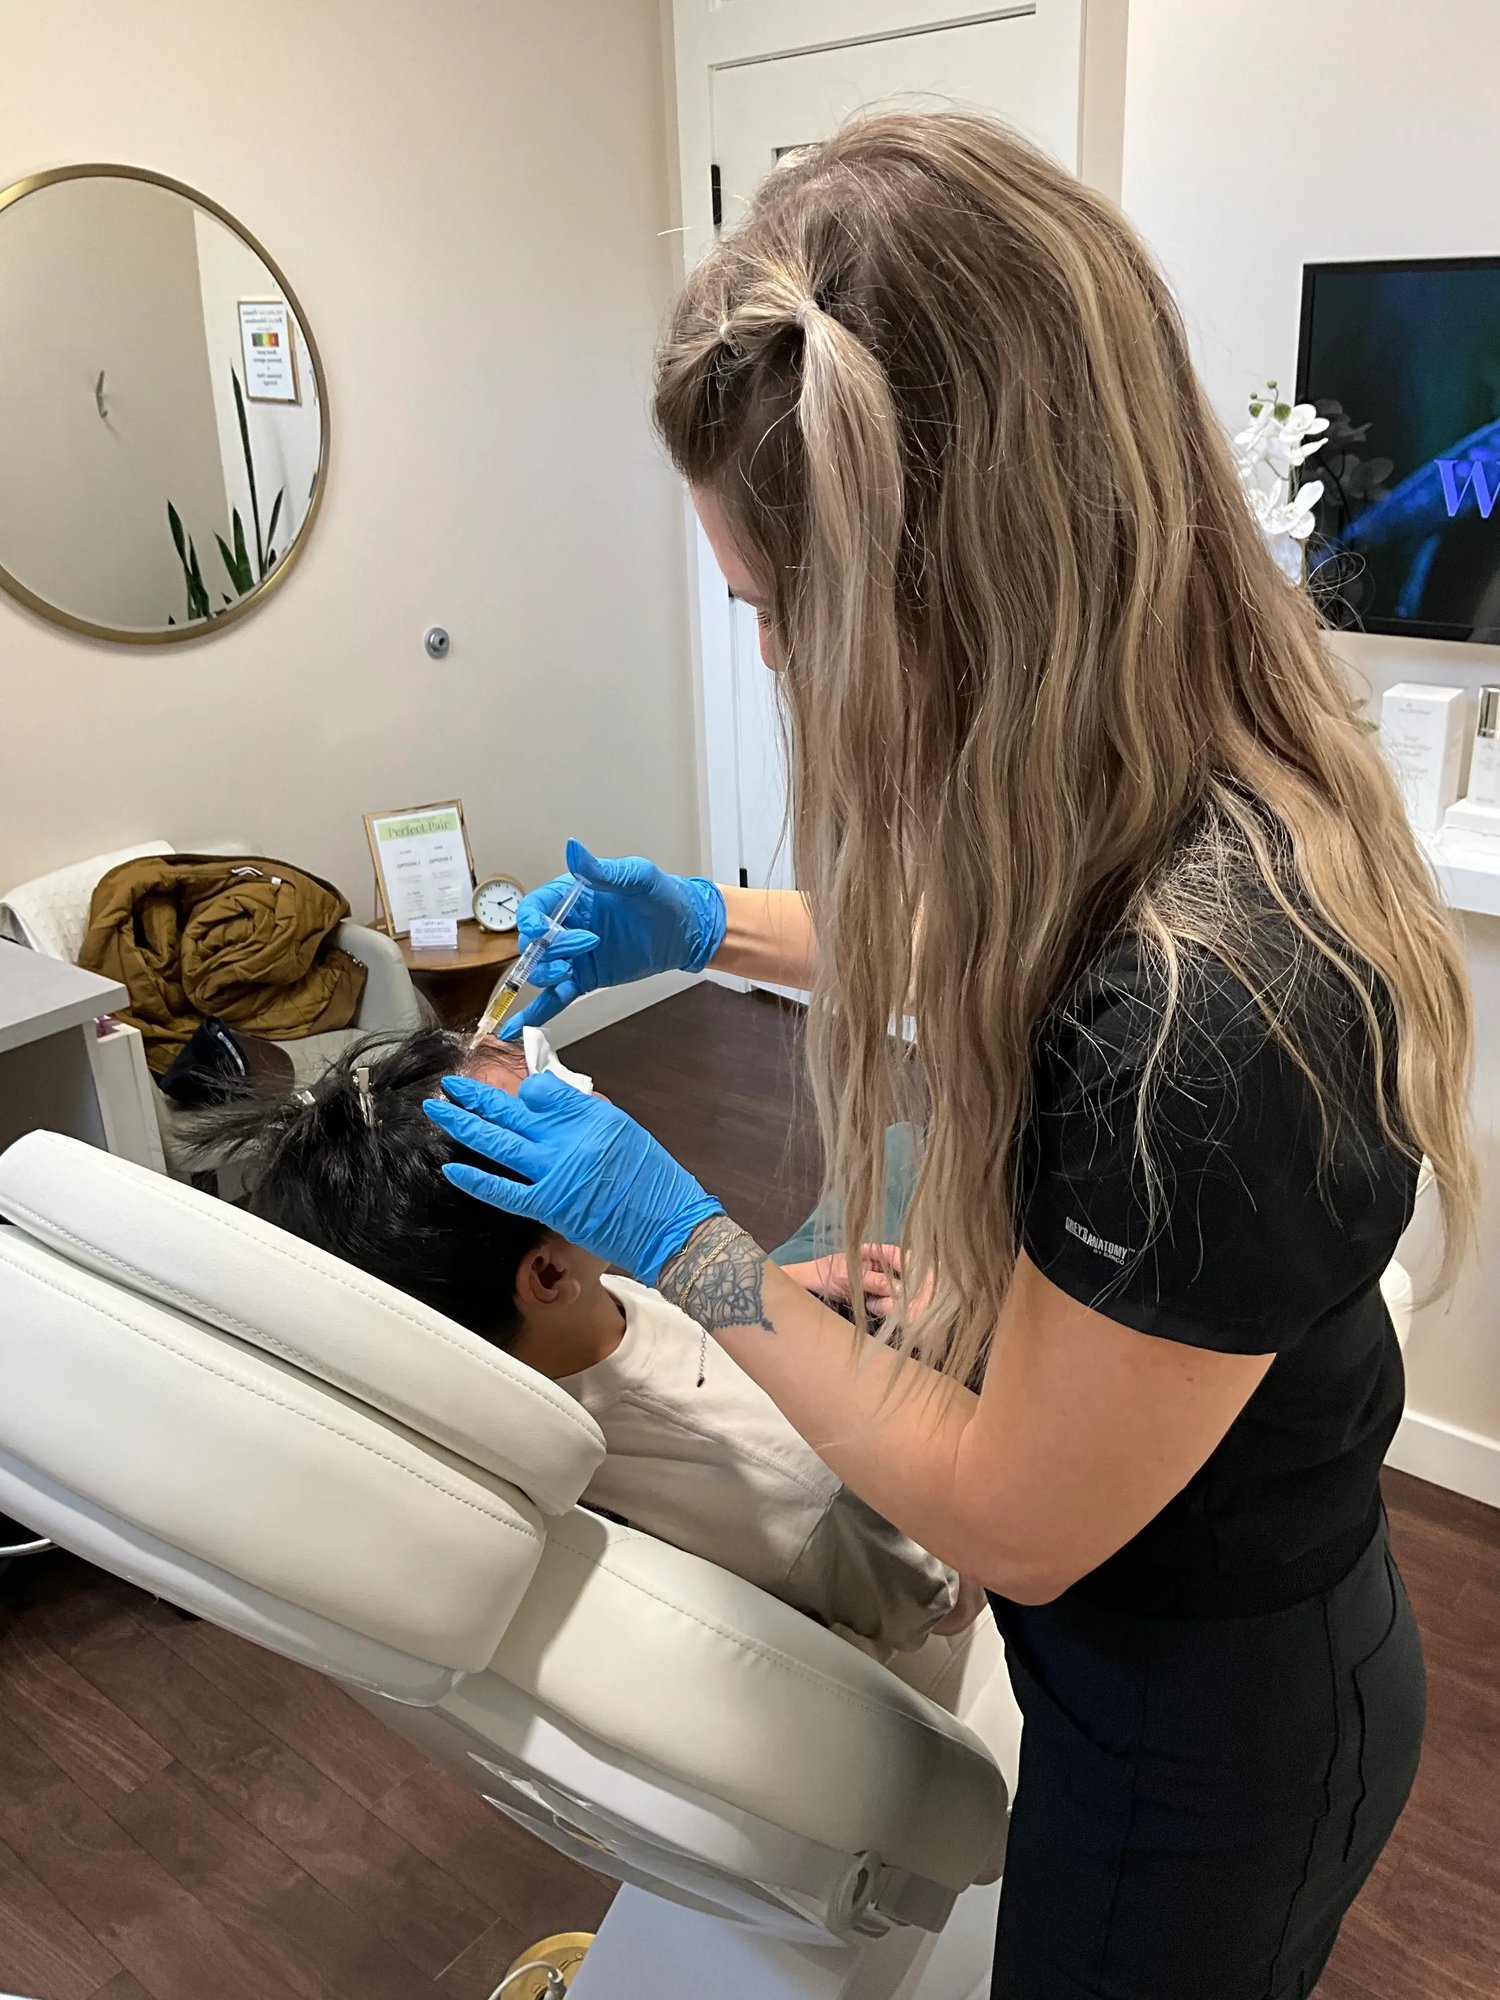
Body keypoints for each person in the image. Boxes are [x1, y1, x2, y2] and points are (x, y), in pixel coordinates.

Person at [426, 112, 1476, 1998]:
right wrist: (710, 922)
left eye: (772, 617)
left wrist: (692, 1246)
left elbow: (1019, 1523)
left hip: (1204, 1744)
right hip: (1186, 1665)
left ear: (947, 577)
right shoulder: (1178, 770)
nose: (767, 665)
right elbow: (1017, 950)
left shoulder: (1208, 1017)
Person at [194, 1026, 965, 1654]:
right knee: (923, 1160)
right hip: (909, 1493)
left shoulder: (527, 1331)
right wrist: (962, 1362)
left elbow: (641, 1313)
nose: (594, 1104)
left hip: (741, 1331)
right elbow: (954, 1596)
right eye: (553, 1115)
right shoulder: (795, 1488)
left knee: (901, 1156)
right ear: (549, 1275)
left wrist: (779, 1288)